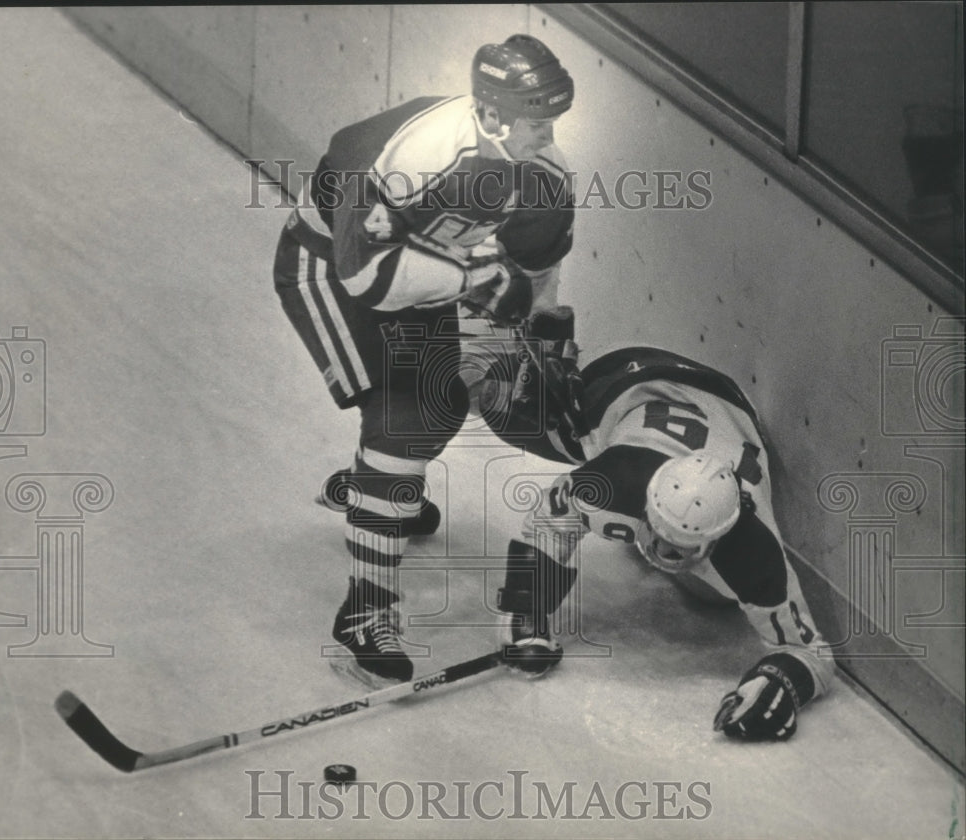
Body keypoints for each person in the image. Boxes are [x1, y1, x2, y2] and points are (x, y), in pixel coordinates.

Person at [272, 35, 576, 688]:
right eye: (536, 121)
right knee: (401, 421)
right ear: (493, 116)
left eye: (553, 120)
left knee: (438, 408)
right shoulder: (415, 157)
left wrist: (538, 343)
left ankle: (373, 495)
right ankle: (365, 609)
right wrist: (472, 279)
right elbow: (367, 280)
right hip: (329, 266)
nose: (548, 134)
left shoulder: (546, 177)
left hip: (421, 278)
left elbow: (535, 271)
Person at [476, 340, 836, 742]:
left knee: (712, 599)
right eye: (660, 531)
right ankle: (559, 356)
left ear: (721, 534)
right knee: (501, 398)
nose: (662, 553)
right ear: (647, 499)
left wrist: (780, 683)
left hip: (723, 407)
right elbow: (550, 520)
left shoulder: (752, 550)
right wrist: (524, 610)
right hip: (626, 383)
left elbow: (813, 654)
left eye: (682, 546)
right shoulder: (614, 482)